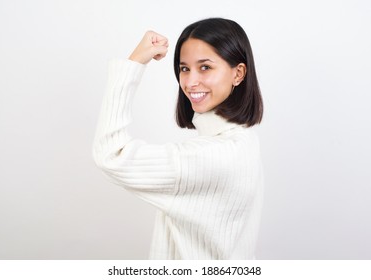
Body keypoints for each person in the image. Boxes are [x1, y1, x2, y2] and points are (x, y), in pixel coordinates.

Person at [93, 17, 264, 260]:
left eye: (205, 67)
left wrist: (133, 63)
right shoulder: (245, 140)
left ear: (238, 73)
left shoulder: (215, 156)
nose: (190, 81)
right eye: (185, 68)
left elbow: (111, 154)